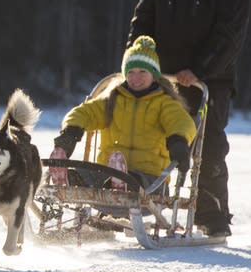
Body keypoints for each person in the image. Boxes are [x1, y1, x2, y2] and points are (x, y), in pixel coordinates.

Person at [125, 0, 250, 237]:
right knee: (139, 133)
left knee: (206, 146)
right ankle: (134, 198)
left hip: (209, 79)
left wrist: (199, 69)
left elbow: (230, 33)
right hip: (160, 76)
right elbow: (143, 19)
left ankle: (212, 216)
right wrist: (136, 60)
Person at [49, 36, 196, 190]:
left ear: (154, 75)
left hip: (150, 178)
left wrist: (178, 140)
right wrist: (70, 132)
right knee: (90, 174)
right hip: (107, 171)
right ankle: (70, 178)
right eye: (130, 72)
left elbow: (181, 121)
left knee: (135, 181)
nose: (136, 78)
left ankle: (122, 183)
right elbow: (85, 112)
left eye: (142, 71)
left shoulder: (164, 103)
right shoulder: (113, 99)